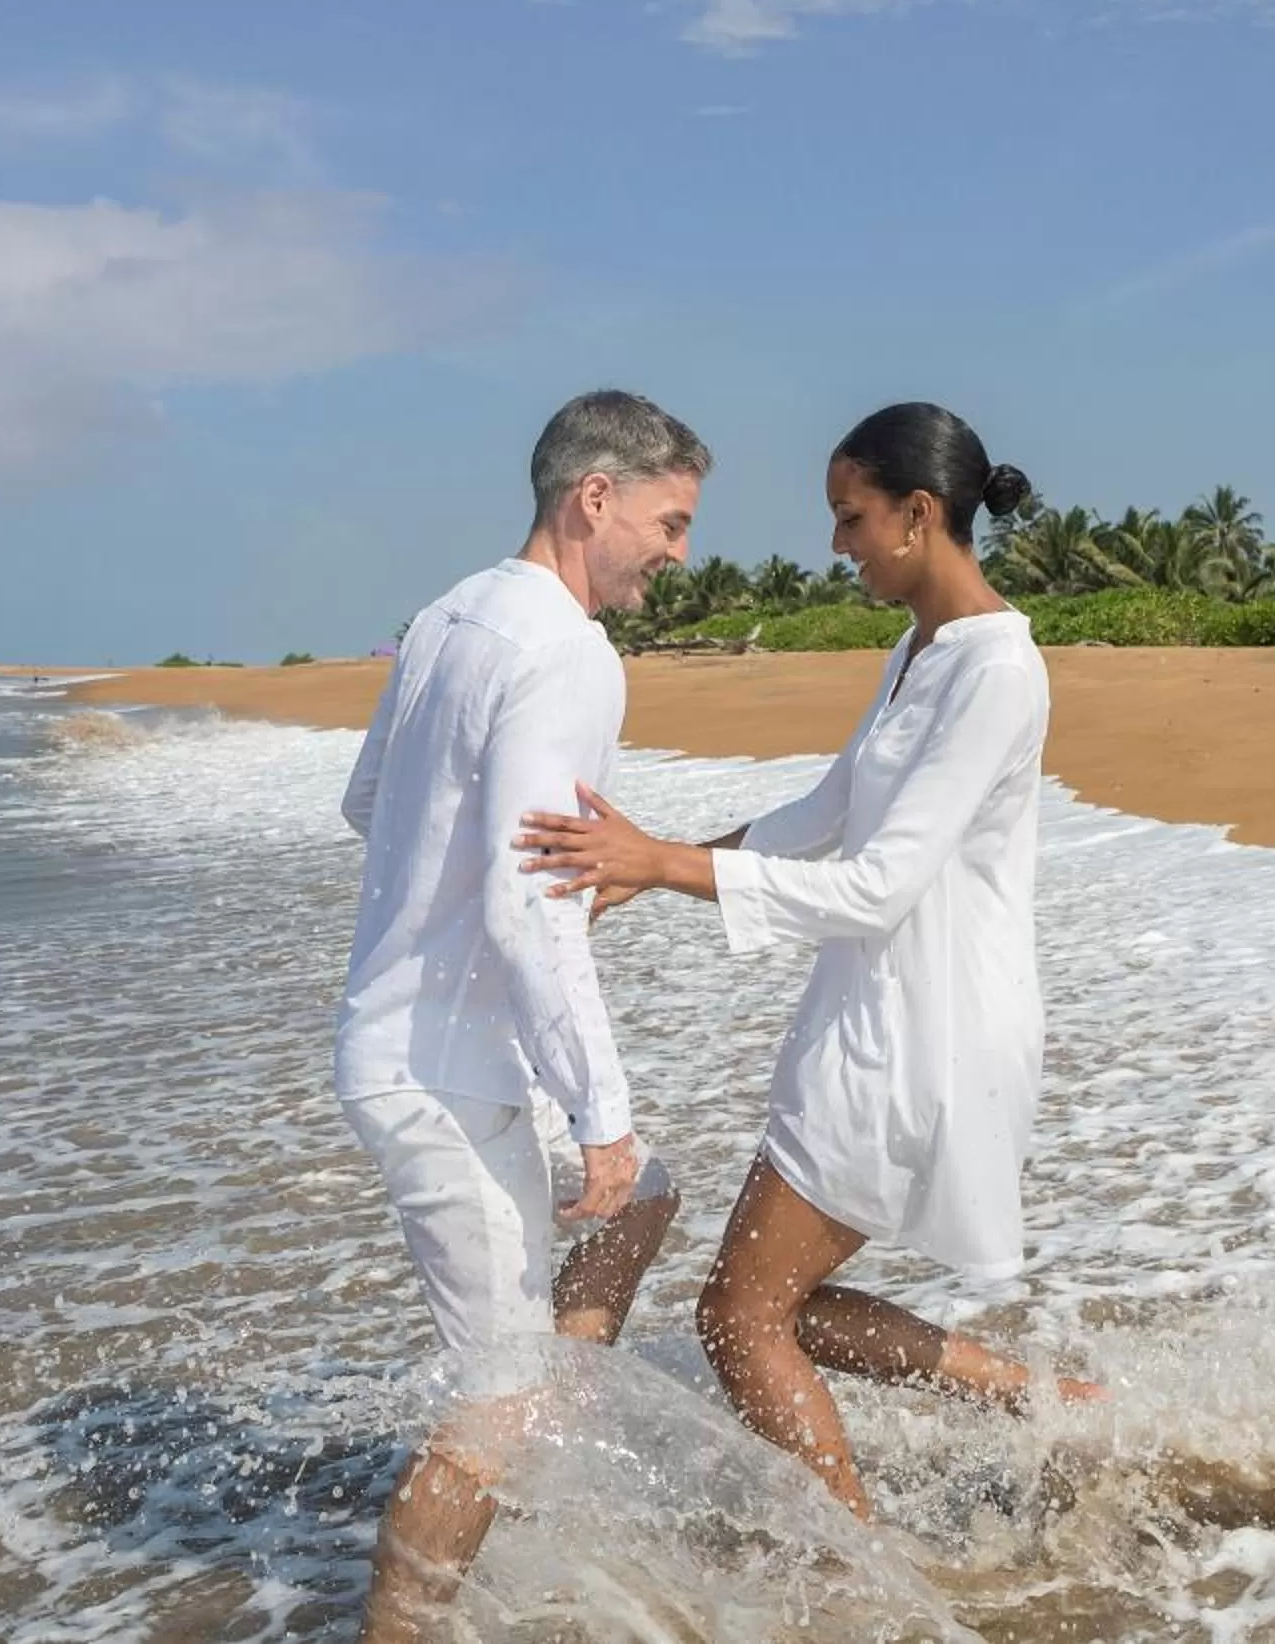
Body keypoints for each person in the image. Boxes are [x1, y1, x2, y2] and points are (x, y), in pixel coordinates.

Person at [518, 400, 1099, 1520]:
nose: (839, 545)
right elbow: (823, 812)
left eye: (852, 517)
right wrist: (659, 861)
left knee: (740, 1315)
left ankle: (856, 1566)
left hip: (927, 1029)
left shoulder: (997, 670)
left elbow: (880, 881)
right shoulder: (919, 648)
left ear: (919, 514)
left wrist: (670, 866)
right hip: (871, 1014)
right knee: (787, 1305)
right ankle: (1042, 1398)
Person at [334, 389, 709, 1640]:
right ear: (592, 498)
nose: (678, 552)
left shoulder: (447, 613)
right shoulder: (568, 651)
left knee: (644, 1198)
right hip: (444, 1068)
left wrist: (464, 866)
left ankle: (550, 1425)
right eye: (669, 520)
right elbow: (527, 908)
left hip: (414, 1041)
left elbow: (369, 799)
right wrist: (601, 1113)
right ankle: (399, 1621)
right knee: (495, 1400)